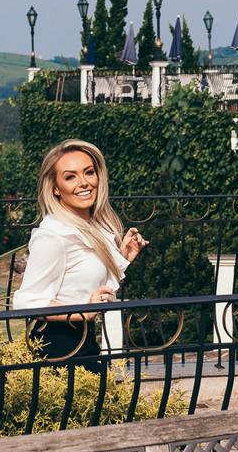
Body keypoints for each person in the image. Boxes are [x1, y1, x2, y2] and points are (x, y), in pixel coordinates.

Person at [12, 139, 147, 369]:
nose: (83, 183)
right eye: (70, 176)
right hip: (57, 348)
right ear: (55, 187)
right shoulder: (54, 235)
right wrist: (83, 312)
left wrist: (122, 258)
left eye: (89, 172)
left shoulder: (91, 227)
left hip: (83, 343)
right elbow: (26, 302)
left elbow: (89, 287)